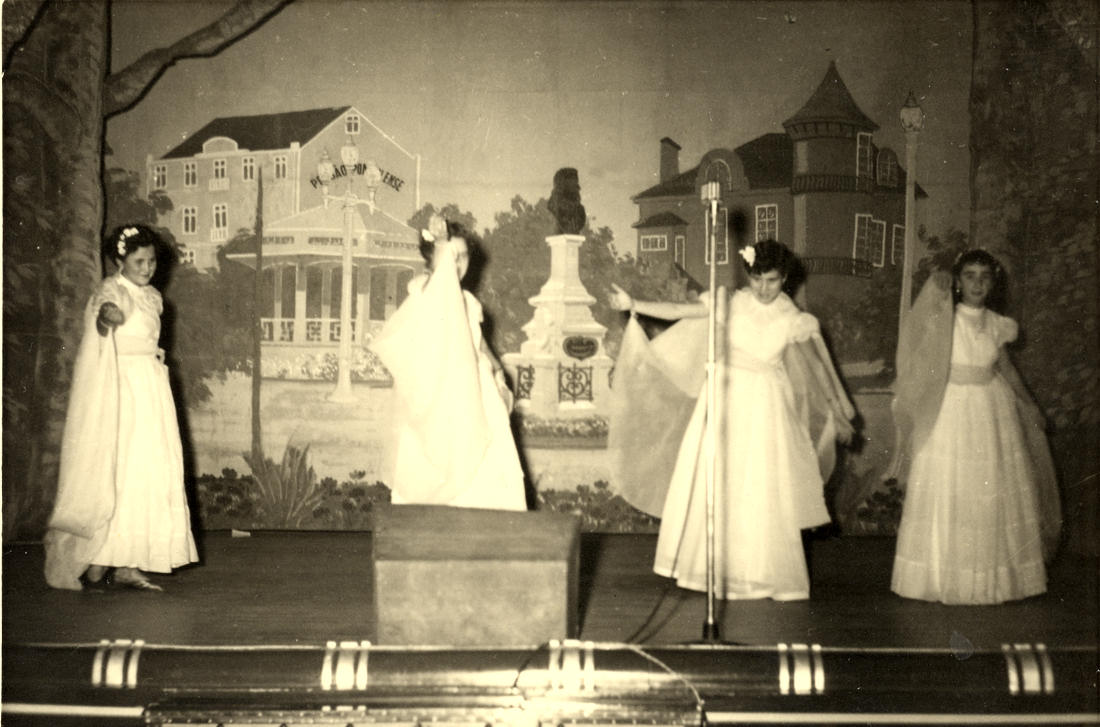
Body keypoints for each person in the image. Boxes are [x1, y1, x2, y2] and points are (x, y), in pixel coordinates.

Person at [608, 239, 855, 601]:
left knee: (759, 483)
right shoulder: (731, 303)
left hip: (766, 406)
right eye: (757, 280)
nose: (763, 289)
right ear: (748, 276)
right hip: (725, 398)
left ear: (784, 278)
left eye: (771, 280)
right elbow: (680, 309)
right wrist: (634, 304)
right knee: (718, 478)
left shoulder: (793, 319)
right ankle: (708, 567)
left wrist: (838, 412)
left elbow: (818, 369)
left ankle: (758, 572)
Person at [890, 249, 1060, 604]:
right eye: (970, 276)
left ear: (993, 282)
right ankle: (942, 574)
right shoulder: (945, 320)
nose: (977, 284)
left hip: (990, 408)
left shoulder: (998, 325)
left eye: (984, 277)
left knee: (991, 486)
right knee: (951, 485)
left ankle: (994, 578)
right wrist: (937, 291)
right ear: (958, 281)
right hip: (951, 407)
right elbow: (919, 348)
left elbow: (1006, 369)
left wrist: (1030, 405)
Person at [44, 225, 198, 591]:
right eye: (139, 261)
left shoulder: (154, 297)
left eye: (152, 261)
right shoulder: (112, 291)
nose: (147, 268)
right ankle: (101, 554)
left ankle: (129, 561)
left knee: (148, 468)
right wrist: (105, 319)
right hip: (122, 387)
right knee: (122, 466)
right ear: (119, 260)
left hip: (150, 386)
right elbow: (101, 320)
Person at [370, 215, 526, 510]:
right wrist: (442, 246)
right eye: (450, 256)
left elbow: (478, 343)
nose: (457, 263)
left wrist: (497, 371)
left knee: (491, 469)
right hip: (442, 395)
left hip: (478, 390)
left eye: (463, 256)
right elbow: (438, 301)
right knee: (444, 467)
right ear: (433, 258)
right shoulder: (425, 292)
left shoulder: (468, 301)